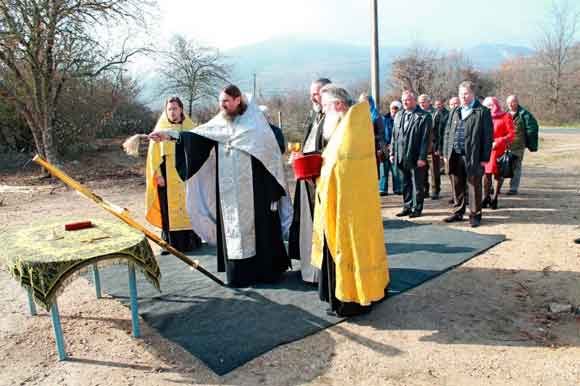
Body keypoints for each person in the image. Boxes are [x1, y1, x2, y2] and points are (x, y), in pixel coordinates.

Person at [149, 85, 291, 287]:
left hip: (256, 191)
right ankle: (239, 274)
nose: (221, 105)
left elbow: (271, 155)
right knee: (234, 230)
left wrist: (272, 189)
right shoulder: (220, 122)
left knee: (261, 229)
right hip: (229, 192)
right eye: (220, 101)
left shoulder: (256, 125)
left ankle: (266, 272)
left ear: (237, 101)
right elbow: (197, 137)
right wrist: (171, 136)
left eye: (225, 101)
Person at [311, 86, 389, 317]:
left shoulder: (352, 130)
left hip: (348, 207)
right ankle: (340, 298)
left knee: (348, 249)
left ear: (338, 105)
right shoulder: (347, 125)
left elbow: (341, 169)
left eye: (325, 106)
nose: (323, 112)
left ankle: (351, 301)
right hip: (343, 202)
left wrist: (320, 171)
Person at [288, 78, 332, 284]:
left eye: (317, 92)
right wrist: (298, 157)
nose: (312, 97)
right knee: (308, 225)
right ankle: (310, 269)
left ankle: (322, 272)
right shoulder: (314, 116)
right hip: (307, 179)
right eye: (311, 93)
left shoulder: (333, 117)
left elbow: (329, 150)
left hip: (322, 179)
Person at [145, 97, 201, 254]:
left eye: (175, 108)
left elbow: (198, 151)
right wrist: (159, 175)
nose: (172, 112)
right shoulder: (160, 128)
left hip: (186, 176)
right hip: (167, 178)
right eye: (169, 109)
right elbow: (153, 156)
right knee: (168, 210)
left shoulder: (190, 127)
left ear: (181, 109)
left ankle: (191, 242)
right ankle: (171, 244)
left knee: (189, 207)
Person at [442, 81, 493, 227]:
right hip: (455, 155)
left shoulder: (482, 112)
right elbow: (447, 133)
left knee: (474, 186)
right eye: (460, 94)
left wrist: (484, 158)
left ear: (472, 94)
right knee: (457, 184)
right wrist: (446, 153)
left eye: (466, 94)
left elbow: (488, 137)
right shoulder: (454, 111)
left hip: (473, 157)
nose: (463, 97)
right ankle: (458, 211)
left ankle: (475, 215)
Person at [390, 90, 432, 218]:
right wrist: (392, 152)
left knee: (417, 184)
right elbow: (394, 135)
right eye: (403, 100)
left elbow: (426, 139)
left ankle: (417, 208)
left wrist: (422, 157)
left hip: (415, 155)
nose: (405, 102)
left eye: (407, 100)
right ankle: (407, 206)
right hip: (401, 155)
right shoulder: (399, 115)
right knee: (405, 182)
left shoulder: (424, 116)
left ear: (414, 100)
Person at [481, 97, 515, 209]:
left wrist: (499, 141)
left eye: (491, 105)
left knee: (497, 175)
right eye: (486, 106)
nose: (489, 108)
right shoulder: (483, 116)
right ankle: (485, 197)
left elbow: (511, 135)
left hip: (498, 150)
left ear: (496, 105)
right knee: (486, 174)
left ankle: (495, 198)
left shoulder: (506, 116)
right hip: (485, 149)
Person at [506, 95, 539, 195]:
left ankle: (513, 188)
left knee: (516, 167)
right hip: (504, 145)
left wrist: (528, 141)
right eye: (509, 103)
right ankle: (497, 188)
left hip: (518, 146)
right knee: (503, 166)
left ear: (517, 102)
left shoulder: (524, 114)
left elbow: (532, 128)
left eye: (513, 102)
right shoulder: (504, 114)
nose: (511, 105)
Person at [358, 93, 386, 178]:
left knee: (372, 176)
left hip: (373, 149)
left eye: (365, 102)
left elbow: (381, 135)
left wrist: (370, 137)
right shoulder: (358, 115)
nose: (363, 104)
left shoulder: (376, 116)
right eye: (361, 102)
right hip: (361, 150)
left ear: (370, 102)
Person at [379, 101, 402, 195]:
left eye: (396, 109)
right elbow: (380, 134)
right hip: (385, 147)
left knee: (395, 169)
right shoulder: (384, 119)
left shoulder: (401, 119)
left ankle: (398, 188)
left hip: (396, 148)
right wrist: (384, 146)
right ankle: (383, 189)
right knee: (384, 169)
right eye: (393, 108)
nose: (394, 110)